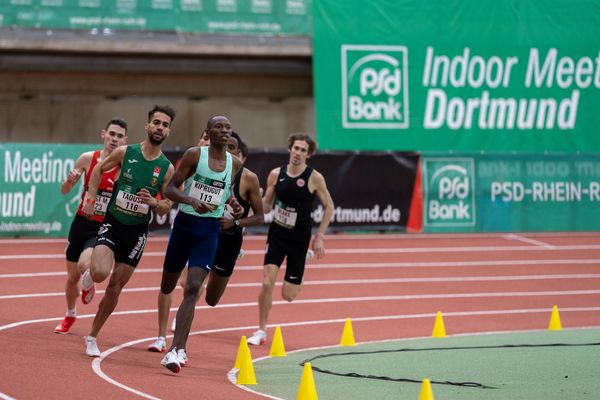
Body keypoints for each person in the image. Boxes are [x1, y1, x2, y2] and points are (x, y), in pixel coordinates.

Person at [148, 131, 263, 357]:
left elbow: (259, 215)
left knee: (210, 298)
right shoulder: (201, 161)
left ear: (240, 156)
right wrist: (194, 201)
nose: (227, 152)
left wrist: (236, 221)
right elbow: (182, 189)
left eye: (232, 148)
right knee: (186, 285)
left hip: (228, 240)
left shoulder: (247, 177)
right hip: (202, 231)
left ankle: (178, 338)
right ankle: (176, 341)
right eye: (225, 146)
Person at [79, 105, 176, 357]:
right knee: (100, 272)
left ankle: (92, 336)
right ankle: (89, 276)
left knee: (115, 287)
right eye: (156, 122)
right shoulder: (126, 152)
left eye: (165, 125)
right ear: (147, 126)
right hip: (113, 222)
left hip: (137, 233)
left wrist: (155, 203)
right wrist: (91, 197)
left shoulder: (166, 168)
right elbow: (100, 167)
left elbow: (167, 206)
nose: (160, 128)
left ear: (168, 131)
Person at [158, 116, 245, 373]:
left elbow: (225, 189)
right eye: (218, 127)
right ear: (208, 132)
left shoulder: (234, 163)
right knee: (168, 285)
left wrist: (233, 203)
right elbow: (171, 189)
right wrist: (191, 200)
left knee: (193, 287)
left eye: (228, 128)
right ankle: (172, 342)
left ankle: (177, 349)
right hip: (185, 225)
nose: (224, 131)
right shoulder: (195, 155)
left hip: (208, 230)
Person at [247, 133, 334, 346]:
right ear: (289, 149)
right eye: (295, 148)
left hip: (299, 240)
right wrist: (255, 200)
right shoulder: (276, 174)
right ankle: (261, 330)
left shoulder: (315, 178)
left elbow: (329, 207)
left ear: (309, 154)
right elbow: (267, 205)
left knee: (289, 295)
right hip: (277, 234)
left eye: (303, 150)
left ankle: (305, 257)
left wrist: (320, 236)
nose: (298, 153)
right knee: (267, 282)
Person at [54, 118, 128, 334]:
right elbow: (64, 191)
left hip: (102, 226)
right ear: (103, 134)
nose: (114, 139)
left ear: (125, 140)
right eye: (111, 134)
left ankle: (89, 280)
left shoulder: (124, 168)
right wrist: (70, 180)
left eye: (119, 136)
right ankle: (70, 314)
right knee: (71, 277)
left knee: (84, 264)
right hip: (80, 223)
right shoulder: (87, 159)